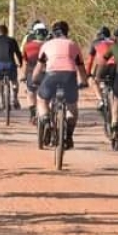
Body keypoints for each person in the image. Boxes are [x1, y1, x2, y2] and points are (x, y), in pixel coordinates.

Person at [31, 21, 88, 149]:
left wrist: (34, 80)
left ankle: (46, 121)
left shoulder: (46, 45)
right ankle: (68, 136)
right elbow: (81, 68)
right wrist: (84, 81)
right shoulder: (73, 45)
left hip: (51, 75)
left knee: (41, 99)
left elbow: (39, 67)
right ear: (67, 32)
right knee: (72, 107)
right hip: (69, 77)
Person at [22, 22, 49, 123]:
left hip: (32, 73)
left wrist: (23, 76)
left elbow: (25, 62)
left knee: (30, 92)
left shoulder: (27, 46)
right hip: (47, 73)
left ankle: (33, 114)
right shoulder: (49, 45)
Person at [86, 26, 117, 111]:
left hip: (102, 65)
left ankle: (101, 101)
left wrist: (88, 74)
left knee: (94, 81)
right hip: (116, 65)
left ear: (98, 35)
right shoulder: (115, 41)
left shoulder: (95, 42)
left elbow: (90, 61)